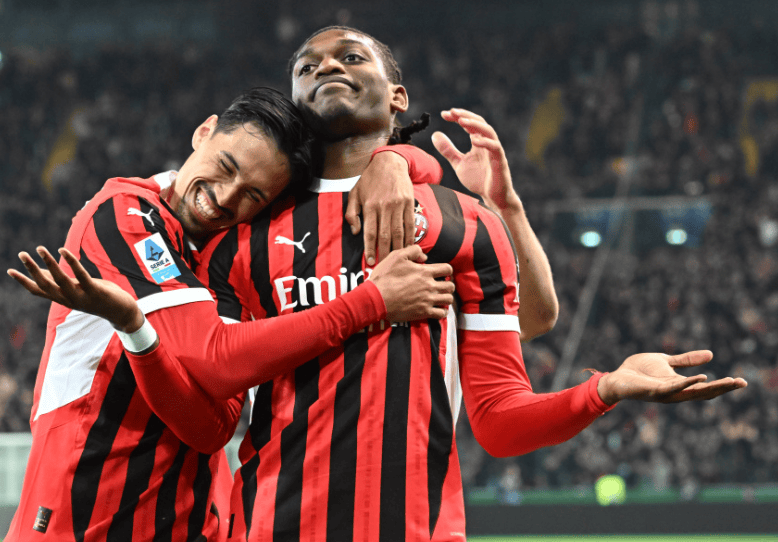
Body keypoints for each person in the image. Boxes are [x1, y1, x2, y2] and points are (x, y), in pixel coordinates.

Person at [194, 26, 747, 540]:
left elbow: (500, 419)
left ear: (397, 98)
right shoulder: (242, 232)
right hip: (269, 527)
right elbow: (214, 383)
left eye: (351, 57)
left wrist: (603, 390)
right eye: (306, 67)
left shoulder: (470, 224)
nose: (327, 68)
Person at [3, 87, 456, 542]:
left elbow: (211, 430)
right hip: (79, 518)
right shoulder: (124, 214)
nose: (223, 197)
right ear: (204, 132)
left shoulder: (228, 257)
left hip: (188, 526)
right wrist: (370, 303)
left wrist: (394, 160)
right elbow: (215, 359)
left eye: (252, 194)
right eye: (226, 166)